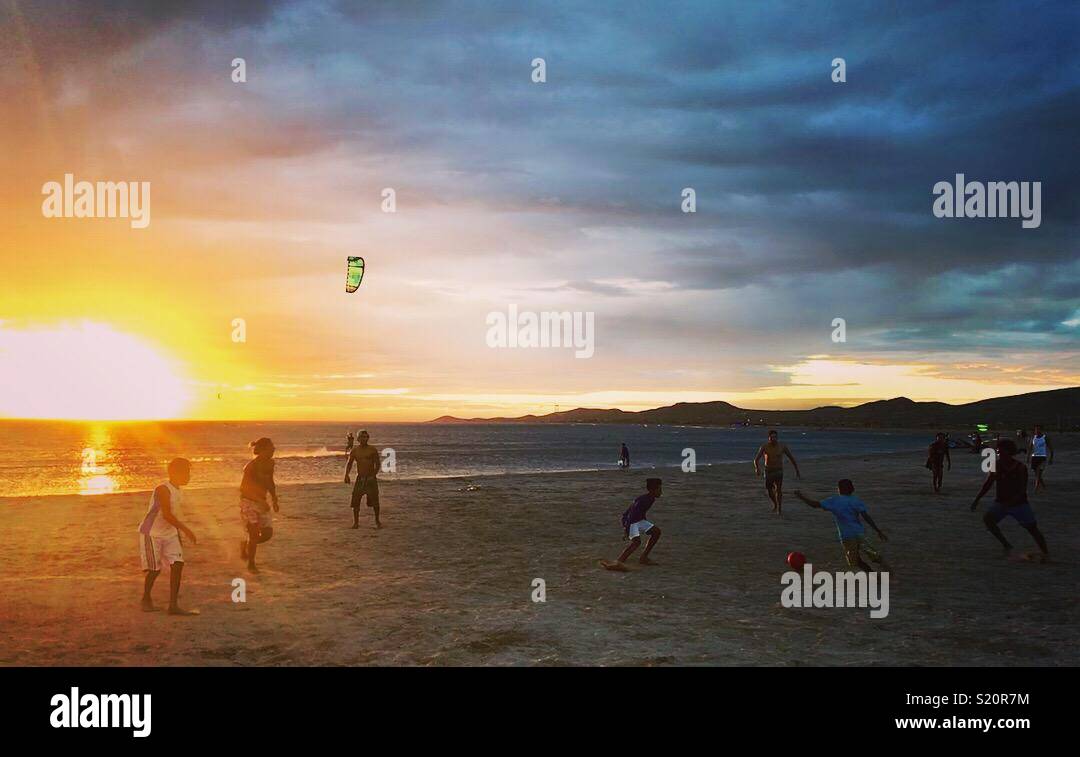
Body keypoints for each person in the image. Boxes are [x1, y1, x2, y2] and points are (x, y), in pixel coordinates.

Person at [138, 458, 199, 615]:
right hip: (152, 533)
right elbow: (166, 515)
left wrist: (177, 534)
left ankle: (173, 605)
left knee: (178, 564)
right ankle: (146, 598)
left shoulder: (177, 490)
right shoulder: (162, 489)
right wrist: (186, 530)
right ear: (174, 473)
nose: (189, 476)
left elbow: (173, 515)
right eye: (186, 472)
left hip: (169, 532)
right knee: (154, 570)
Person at [971, 439, 1048, 561]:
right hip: (1001, 502)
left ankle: (1045, 553)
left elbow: (1022, 489)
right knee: (988, 520)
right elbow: (988, 484)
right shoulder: (996, 465)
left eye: (1000, 450)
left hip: (1019, 504)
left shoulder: (1020, 467)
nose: (998, 452)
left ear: (1007, 451)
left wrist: (1012, 502)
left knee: (1032, 528)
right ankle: (1006, 545)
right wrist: (977, 499)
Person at [794, 480, 889, 572]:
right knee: (873, 554)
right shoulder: (856, 500)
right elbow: (866, 517)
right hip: (860, 533)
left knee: (855, 561)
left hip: (847, 536)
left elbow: (814, 505)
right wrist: (878, 531)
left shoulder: (834, 501)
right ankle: (887, 569)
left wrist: (801, 497)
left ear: (841, 489)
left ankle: (873, 574)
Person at [602, 478, 662, 571]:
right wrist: (626, 529)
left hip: (638, 519)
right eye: (659, 490)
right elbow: (630, 514)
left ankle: (643, 558)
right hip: (630, 520)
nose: (661, 492)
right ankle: (619, 562)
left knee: (656, 532)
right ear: (652, 490)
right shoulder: (644, 499)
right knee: (636, 542)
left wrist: (645, 525)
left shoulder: (651, 499)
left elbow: (640, 513)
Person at [240, 437, 280, 572]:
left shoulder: (270, 463)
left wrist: (274, 499)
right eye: (271, 448)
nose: (274, 450)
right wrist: (260, 501)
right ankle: (251, 564)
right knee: (254, 532)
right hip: (248, 502)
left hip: (262, 501)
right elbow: (244, 489)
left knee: (268, 534)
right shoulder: (250, 467)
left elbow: (270, 481)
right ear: (262, 450)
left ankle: (245, 545)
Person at [753, 430, 801, 515]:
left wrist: (797, 470)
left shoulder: (782, 446)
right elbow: (756, 459)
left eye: (775, 437)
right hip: (769, 471)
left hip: (779, 471)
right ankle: (775, 504)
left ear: (777, 438)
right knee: (769, 490)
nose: (773, 439)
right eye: (771, 437)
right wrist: (757, 468)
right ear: (768, 438)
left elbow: (791, 458)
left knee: (778, 490)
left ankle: (779, 508)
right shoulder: (764, 447)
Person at [345, 429, 382, 528]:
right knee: (355, 501)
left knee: (375, 501)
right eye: (362, 437)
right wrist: (346, 475)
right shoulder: (355, 451)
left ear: (368, 438)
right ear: (358, 439)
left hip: (371, 479)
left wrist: (373, 475)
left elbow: (377, 464)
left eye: (366, 437)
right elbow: (349, 463)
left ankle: (377, 521)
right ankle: (356, 523)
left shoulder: (372, 450)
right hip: (360, 479)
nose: (364, 439)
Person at [1028, 424, 1053, 492]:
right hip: (1034, 457)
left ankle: (1036, 488)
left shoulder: (1045, 437)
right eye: (1036, 429)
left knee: (1039, 473)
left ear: (1041, 430)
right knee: (1037, 474)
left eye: (1039, 429)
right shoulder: (1033, 438)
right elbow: (1030, 448)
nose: (1037, 431)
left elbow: (1050, 448)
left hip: (1042, 457)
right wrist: (1028, 457)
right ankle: (1044, 487)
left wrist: (1051, 458)